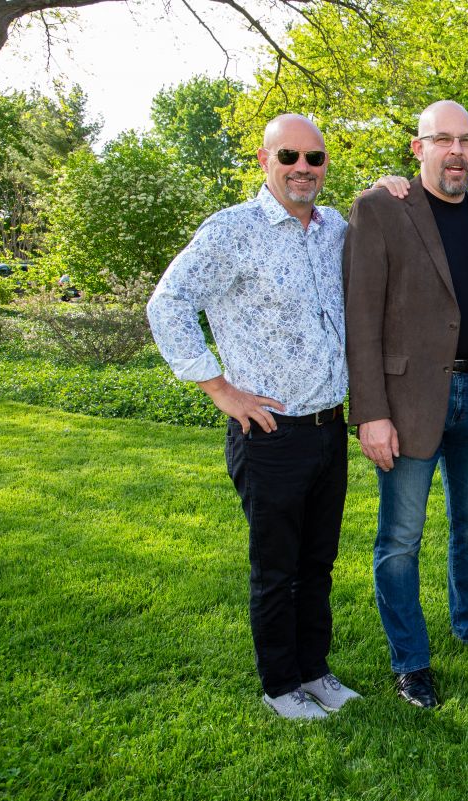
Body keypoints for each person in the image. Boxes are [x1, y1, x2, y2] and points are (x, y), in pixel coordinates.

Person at [147, 114, 360, 720]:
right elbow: (168, 303)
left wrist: (391, 187)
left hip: (328, 427)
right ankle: (280, 684)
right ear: (265, 160)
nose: (303, 168)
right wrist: (219, 388)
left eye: (314, 157)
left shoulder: (335, 229)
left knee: (317, 564)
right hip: (268, 434)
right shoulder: (231, 230)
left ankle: (314, 670)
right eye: (289, 155)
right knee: (277, 568)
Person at [344, 101, 468, 710]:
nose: (456, 151)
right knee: (401, 537)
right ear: (418, 149)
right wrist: (371, 411)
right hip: (408, 403)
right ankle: (411, 662)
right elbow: (361, 317)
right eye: (443, 139)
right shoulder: (380, 208)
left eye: (466, 140)